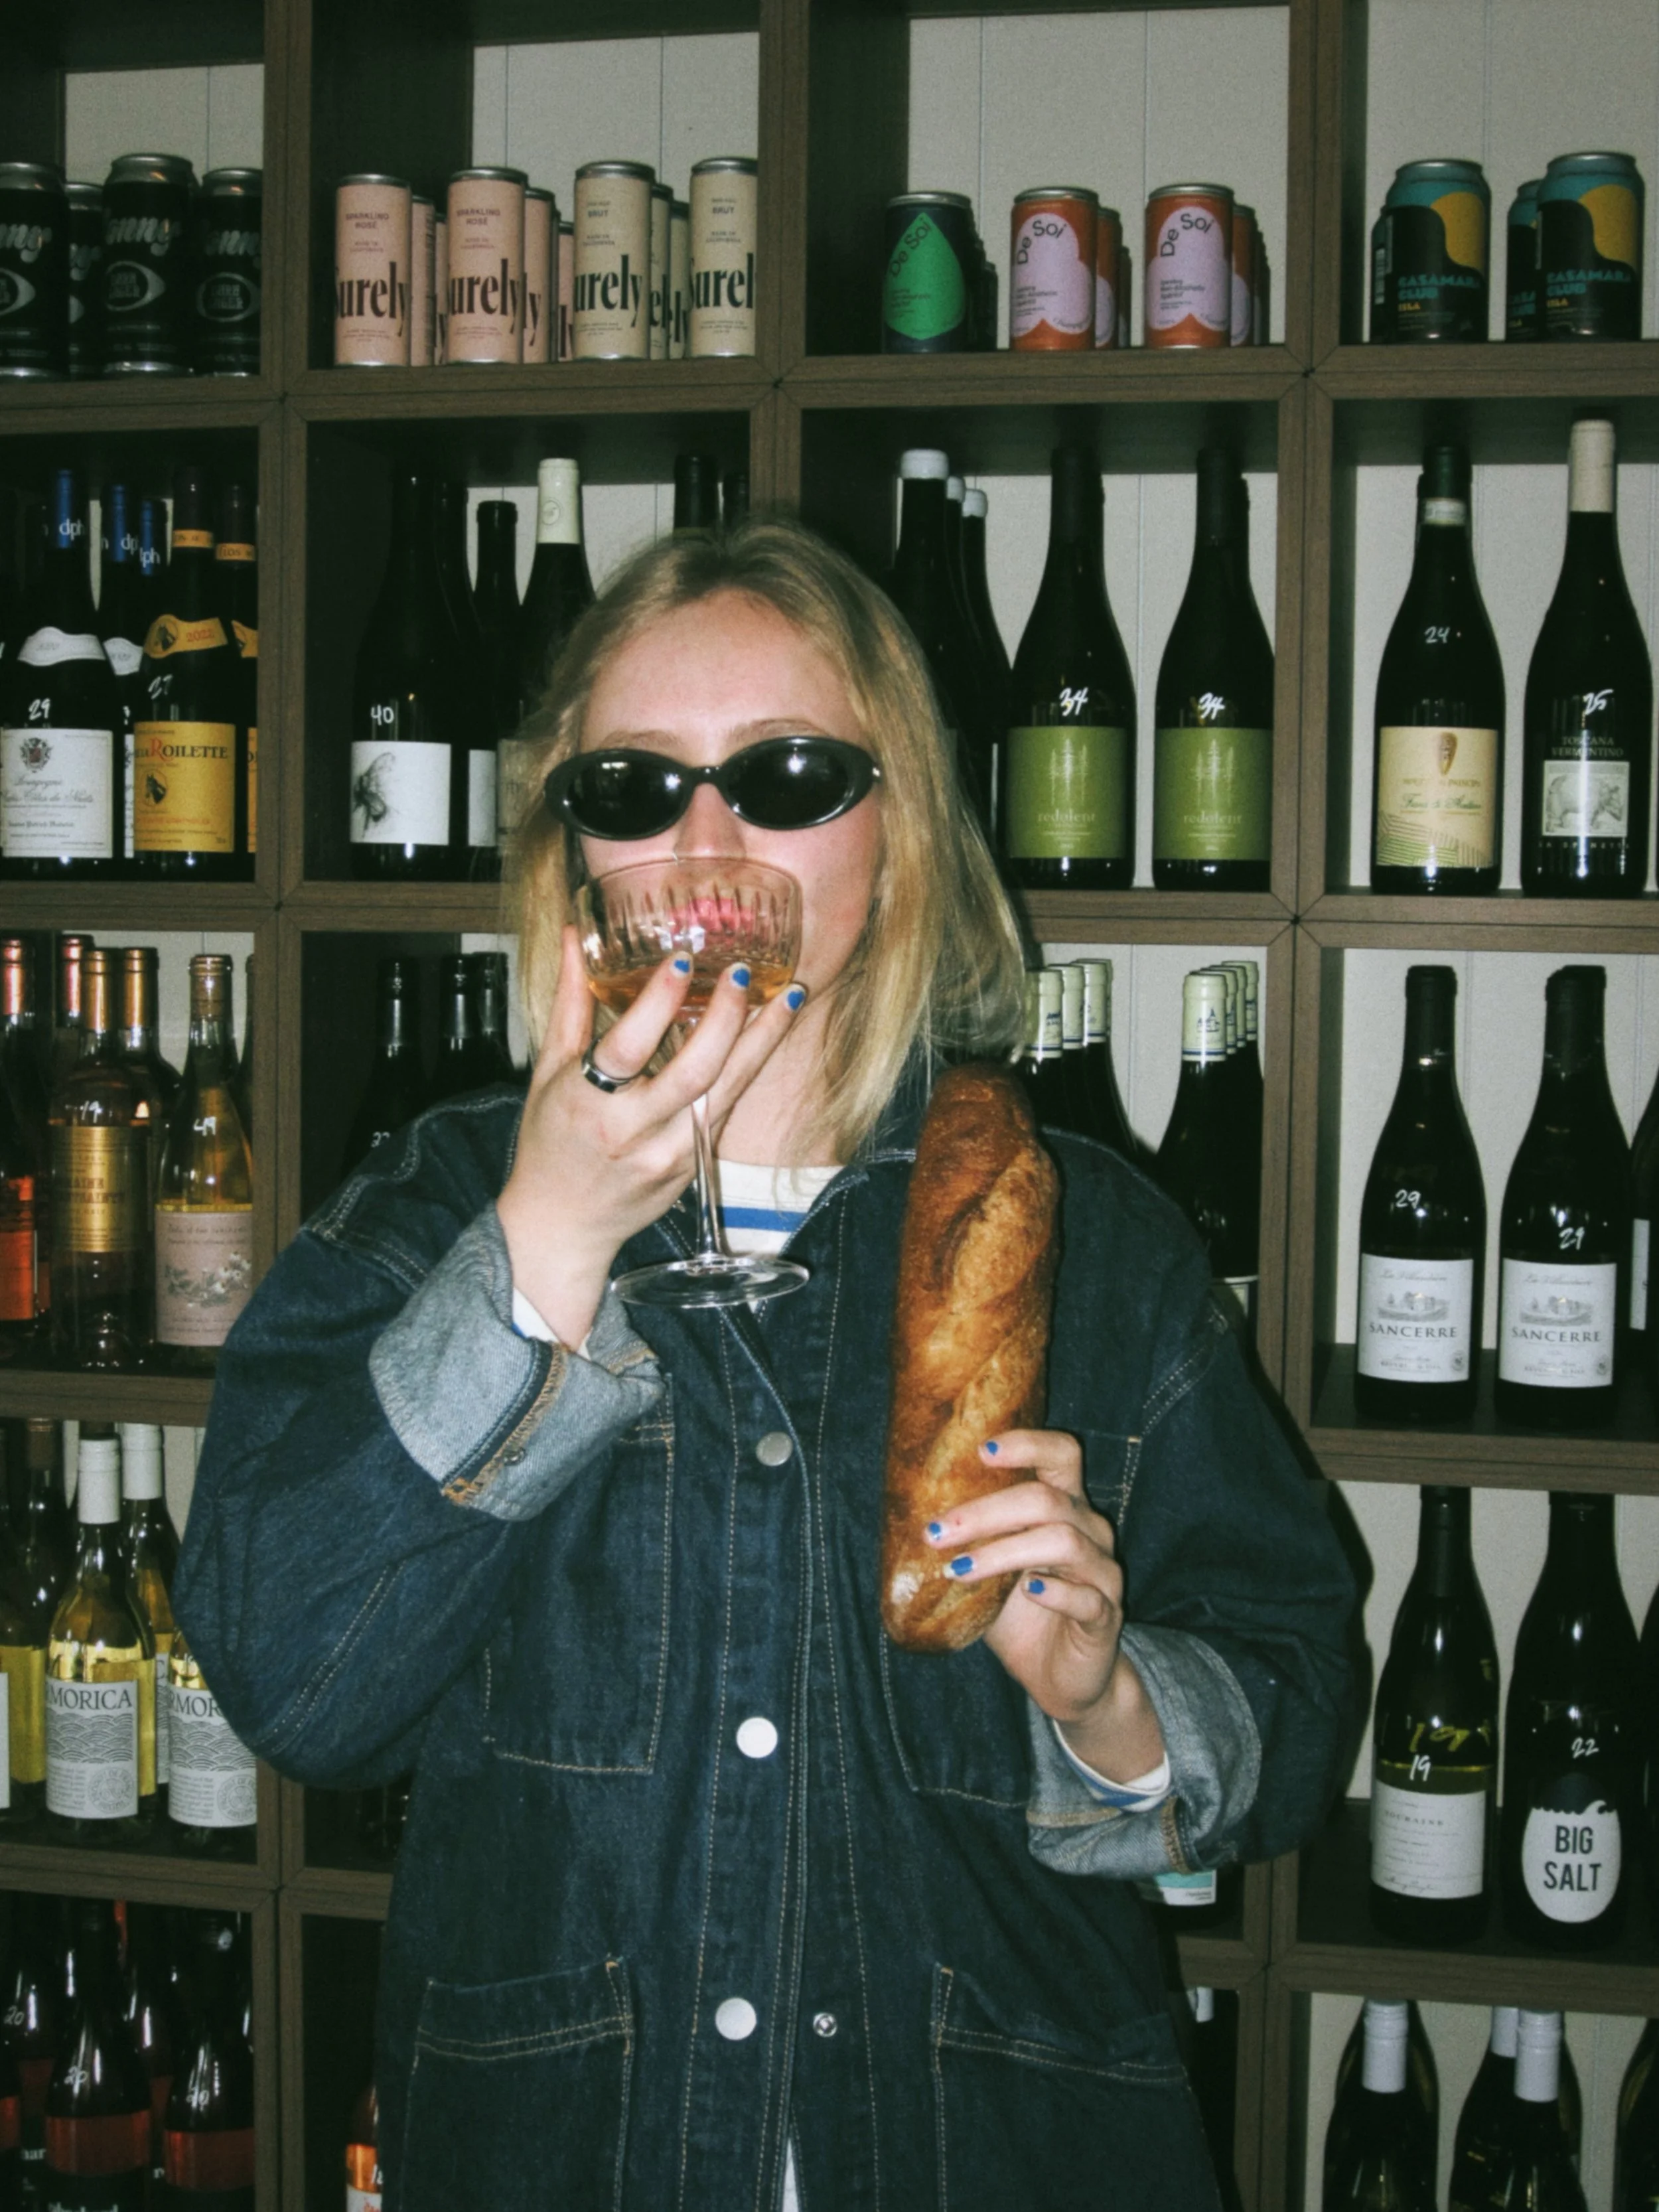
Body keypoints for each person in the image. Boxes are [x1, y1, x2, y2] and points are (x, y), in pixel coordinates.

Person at [175, 517, 1356, 2212]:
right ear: (576, 849)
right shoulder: (432, 1204)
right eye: (635, 785)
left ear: (903, 825)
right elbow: (294, 1687)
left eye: (789, 773)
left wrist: (1109, 1704)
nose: (707, 837)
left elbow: (1297, 1695)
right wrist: (549, 1245)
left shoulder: (1085, 1234)